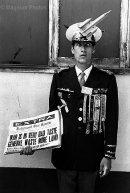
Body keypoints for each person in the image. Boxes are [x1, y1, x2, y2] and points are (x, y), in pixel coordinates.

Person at [21, 11, 118, 193]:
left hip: (92, 157)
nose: (83, 49)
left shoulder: (106, 80)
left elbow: (111, 120)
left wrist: (108, 155)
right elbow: (52, 116)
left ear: (93, 49)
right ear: (72, 49)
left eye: (88, 45)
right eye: (79, 45)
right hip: (64, 156)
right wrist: (33, 142)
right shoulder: (60, 78)